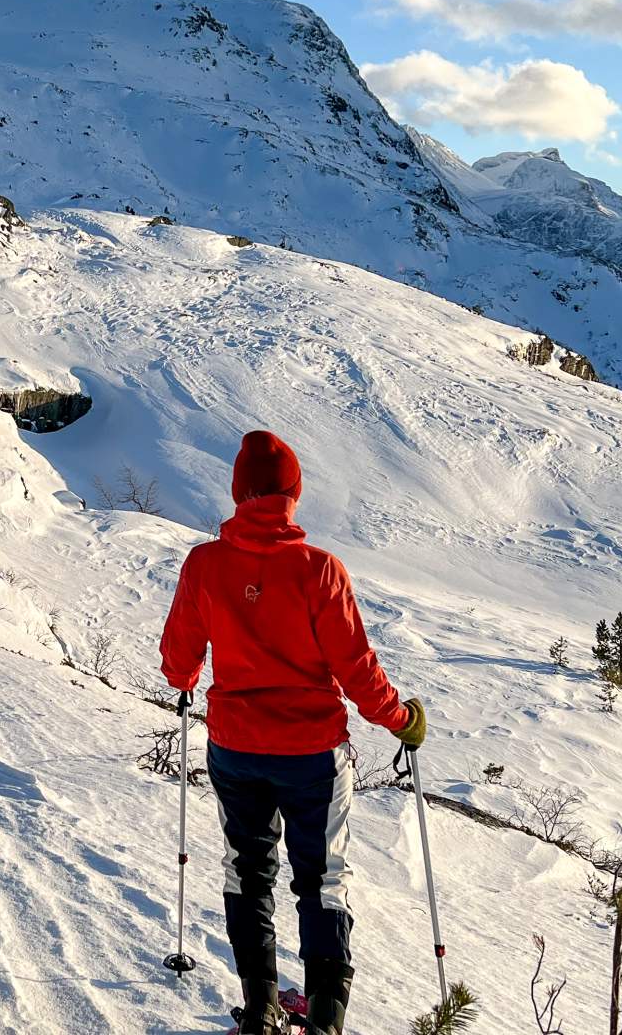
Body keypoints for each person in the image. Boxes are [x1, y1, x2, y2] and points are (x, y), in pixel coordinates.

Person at [160, 430, 427, 1035]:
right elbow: (357, 671)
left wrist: (188, 678)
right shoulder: (319, 571)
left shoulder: (205, 564)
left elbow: (178, 660)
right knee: (322, 880)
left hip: (235, 746)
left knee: (246, 870)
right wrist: (402, 720)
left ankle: (260, 1010)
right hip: (312, 754)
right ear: (293, 494)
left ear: (239, 491)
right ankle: (326, 1021)